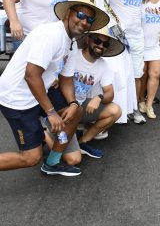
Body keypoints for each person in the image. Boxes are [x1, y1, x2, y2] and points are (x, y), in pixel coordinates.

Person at [0, 0, 109, 176]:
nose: (84, 21)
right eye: (80, 15)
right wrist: (51, 113)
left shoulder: (72, 43)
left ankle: (52, 163)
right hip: (17, 98)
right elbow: (32, 76)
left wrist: (73, 103)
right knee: (31, 158)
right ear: (68, 14)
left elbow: (66, 79)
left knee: (76, 111)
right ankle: (42, 136)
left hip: (40, 89)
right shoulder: (50, 34)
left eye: (89, 19)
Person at [69, 0, 139, 125]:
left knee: (116, 75)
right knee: (104, 75)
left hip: (106, 32)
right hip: (93, 36)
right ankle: (91, 117)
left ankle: (108, 115)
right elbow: (77, 10)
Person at [44, 26, 124, 163]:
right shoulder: (73, 56)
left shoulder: (104, 65)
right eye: (97, 41)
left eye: (105, 44)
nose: (100, 46)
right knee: (73, 159)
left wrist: (99, 98)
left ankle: (82, 142)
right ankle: (44, 132)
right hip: (62, 111)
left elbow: (110, 93)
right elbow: (50, 73)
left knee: (115, 110)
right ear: (88, 39)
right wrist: (55, 78)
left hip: (80, 109)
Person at [103, 0, 146, 124]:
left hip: (137, 35)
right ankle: (113, 110)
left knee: (136, 74)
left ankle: (133, 109)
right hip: (117, 35)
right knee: (116, 75)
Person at [138, 0, 160, 119]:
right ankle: (140, 101)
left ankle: (149, 105)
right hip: (141, 45)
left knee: (155, 75)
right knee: (142, 76)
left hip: (156, 45)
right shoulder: (141, 1)